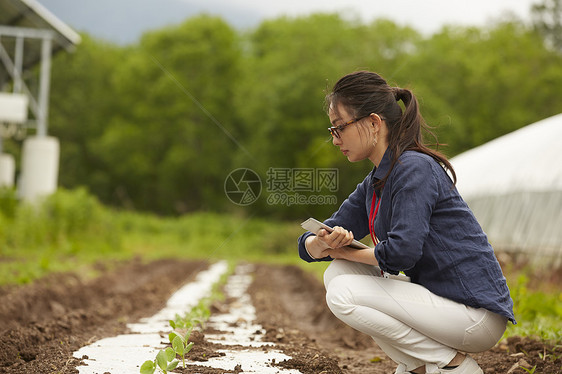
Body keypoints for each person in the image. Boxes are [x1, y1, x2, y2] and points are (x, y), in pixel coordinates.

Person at [297, 71, 515, 374]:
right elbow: (313, 239)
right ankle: (418, 367)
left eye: (340, 128)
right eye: (332, 130)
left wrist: (343, 250)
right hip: (437, 301)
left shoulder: (414, 168)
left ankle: (454, 366)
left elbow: (401, 253)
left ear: (373, 123)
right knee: (338, 273)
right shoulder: (376, 181)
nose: (335, 140)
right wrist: (320, 243)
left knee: (342, 291)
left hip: (473, 313)